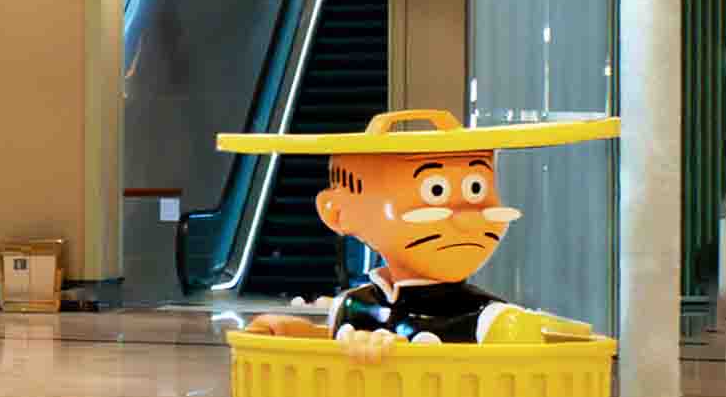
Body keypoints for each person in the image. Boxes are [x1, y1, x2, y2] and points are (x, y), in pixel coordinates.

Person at [229, 107, 615, 353]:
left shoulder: (494, 321)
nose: (467, 218)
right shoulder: (352, 306)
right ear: (338, 213)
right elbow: (332, 350)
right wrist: (290, 334)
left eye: (477, 189)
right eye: (436, 192)